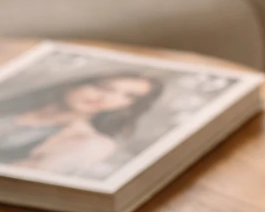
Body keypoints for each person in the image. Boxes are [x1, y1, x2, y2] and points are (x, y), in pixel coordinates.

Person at [0, 74, 163, 174]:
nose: (106, 98)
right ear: (75, 81)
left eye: (129, 96)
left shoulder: (88, 142)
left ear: (128, 106)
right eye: (104, 86)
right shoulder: (14, 103)